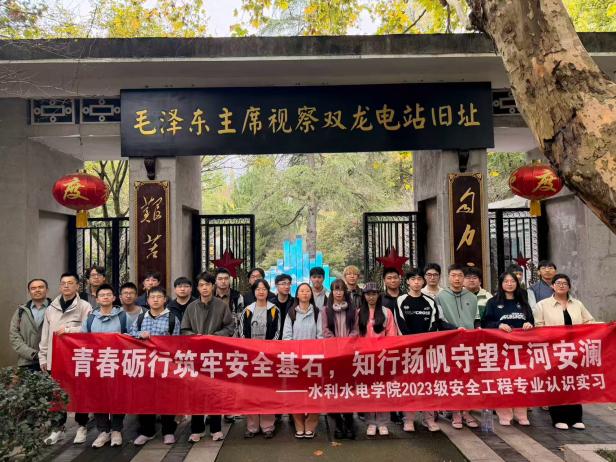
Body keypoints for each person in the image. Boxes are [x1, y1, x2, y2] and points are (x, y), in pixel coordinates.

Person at [394, 269, 454, 433]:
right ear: (407, 281)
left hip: (428, 351)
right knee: (409, 386)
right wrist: (412, 344)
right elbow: (400, 325)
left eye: (419, 279)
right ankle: (409, 419)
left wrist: (425, 343)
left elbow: (435, 324)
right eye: (413, 279)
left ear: (423, 281)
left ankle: (429, 419)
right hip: (408, 351)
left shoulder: (430, 301)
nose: (416, 282)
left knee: (429, 385)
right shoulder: (400, 300)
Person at [535, 273, 595, 430]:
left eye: (565, 283)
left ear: (569, 287)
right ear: (552, 286)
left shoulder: (577, 304)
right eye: (558, 283)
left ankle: (576, 417)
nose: (561, 285)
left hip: (575, 350)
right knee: (556, 383)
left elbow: (589, 322)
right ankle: (558, 417)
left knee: (574, 383)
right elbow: (538, 326)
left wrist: (606, 326)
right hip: (553, 350)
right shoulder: (542, 305)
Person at [40, 272, 92, 446]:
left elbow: (88, 329)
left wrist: (69, 329)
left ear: (77, 286)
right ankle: (58, 428)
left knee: (80, 393)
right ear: (60, 286)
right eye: (63, 283)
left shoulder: (84, 306)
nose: (66, 286)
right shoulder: (51, 308)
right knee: (57, 394)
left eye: (70, 283)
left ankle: (82, 426)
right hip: (56, 358)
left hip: (78, 358)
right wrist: (43, 357)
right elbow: (45, 335)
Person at [182, 272, 235, 442]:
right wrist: (196, 337)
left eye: (207, 285)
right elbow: (184, 329)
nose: (204, 288)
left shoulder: (221, 306)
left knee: (215, 391)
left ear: (213, 286)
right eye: (201, 285)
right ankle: (197, 429)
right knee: (196, 392)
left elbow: (230, 327)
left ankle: (216, 429)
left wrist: (215, 337)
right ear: (197, 288)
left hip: (215, 355)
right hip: (196, 355)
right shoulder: (191, 307)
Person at [481, 272, 534, 426]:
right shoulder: (492, 302)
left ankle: (521, 413)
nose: (509, 284)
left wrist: (529, 324)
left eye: (512, 281)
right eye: (506, 281)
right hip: (500, 348)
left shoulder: (523, 302)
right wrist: (498, 325)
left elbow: (531, 321)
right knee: (503, 380)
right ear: (501, 284)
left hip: (520, 349)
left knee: (521, 380)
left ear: (517, 283)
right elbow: (485, 323)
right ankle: (504, 414)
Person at [130, 286, 181, 446]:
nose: (156, 300)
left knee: (167, 399)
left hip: (165, 366)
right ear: (147, 300)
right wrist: (139, 335)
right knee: (145, 399)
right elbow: (130, 336)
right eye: (152, 297)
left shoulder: (172, 319)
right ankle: (147, 431)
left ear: (165, 299)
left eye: (159, 297)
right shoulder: (140, 318)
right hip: (145, 367)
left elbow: (177, 343)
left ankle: (168, 431)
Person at [81, 284, 128, 448]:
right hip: (96, 364)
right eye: (102, 295)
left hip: (118, 363)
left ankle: (116, 429)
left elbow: (131, 336)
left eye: (109, 294)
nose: (106, 297)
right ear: (97, 299)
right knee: (97, 397)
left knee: (118, 396)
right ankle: (103, 431)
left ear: (114, 298)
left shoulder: (123, 316)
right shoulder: (90, 318)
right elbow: (82, 340)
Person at [436, 264, 480, 430]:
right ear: (448, 277)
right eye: (453, 275)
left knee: (469, 379)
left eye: (460, 275)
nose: (457, 279)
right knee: (453, 379)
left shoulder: (472, 297)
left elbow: (476, 319)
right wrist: (455, 329)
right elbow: (440, 321)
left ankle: (466, 412)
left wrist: (478, 329)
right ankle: (455, 413)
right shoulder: (440, 297)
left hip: (470, 344)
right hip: (451, 343)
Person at [239, 279, 281, 439]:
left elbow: (277, 332)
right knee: (251, 392)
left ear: (268, 291)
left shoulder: (274, 310)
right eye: (258, 289)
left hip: (268, 358)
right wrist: (250, 349)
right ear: (254, 292)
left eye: (264, 289)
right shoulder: (247, 310)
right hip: (251, 358)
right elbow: (242, 332)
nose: (261, 292)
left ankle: (268, 426)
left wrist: (269, 349)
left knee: (267, 392)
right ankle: (252, 426)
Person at [282, 283, 323, 439]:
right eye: (301, 291)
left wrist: (314, 353)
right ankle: (298, 424)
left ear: (311, 294)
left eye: (307, 291)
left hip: (313, 361)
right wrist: (295, 354)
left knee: (314, 392)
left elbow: (320, 336)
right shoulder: (291, 313)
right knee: (296, 393)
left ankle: (311, 423)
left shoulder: (318, 313)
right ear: (297, 295)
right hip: (295, 361)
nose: (305, 293)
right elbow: (286, 337)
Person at [358, 282, 398, 436]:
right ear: (364, 296)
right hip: (365, 358)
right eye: (368, 294)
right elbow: (356, 336)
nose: (371, 297)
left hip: (382, 357)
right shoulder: (358, 313)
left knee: (382, 390)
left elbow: (391, 335)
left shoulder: (387, 312)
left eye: (374, 294)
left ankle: (383, 422)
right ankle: (370, 422)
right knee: (368, 391)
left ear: (378, 295)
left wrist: (386, 353)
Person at [321, 279, 358, 439]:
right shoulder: (325, 310)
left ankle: (349, 421)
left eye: (341, 290)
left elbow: (355, 330)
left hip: (348, 354)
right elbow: (325, 331)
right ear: (332, 292)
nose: (338, 292)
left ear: (345, 292)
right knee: (334, 389)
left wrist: (346, 344)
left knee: (348, 389)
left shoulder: (353, 310)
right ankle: (338, 423)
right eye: (335, 289)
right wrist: (336, 344)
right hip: (332, 355)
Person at [10, 278, 50, 372]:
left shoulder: (56, 309)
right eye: (33, 288)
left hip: (50, 362)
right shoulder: (21, 311)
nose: (37, 290)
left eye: (40, 287)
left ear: (47, 290)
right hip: (26, 362)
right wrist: (32, 354)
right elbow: (14, 336)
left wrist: (45, 355)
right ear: (29, 292)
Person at [214, 267, 244, 333]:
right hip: (212, 333)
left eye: (226, 278)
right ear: (215, 281)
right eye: (220, 279)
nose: (223, 281)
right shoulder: (210, 296)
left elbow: (240, 318)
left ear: (229, 280)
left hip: (232, 333)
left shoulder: (237, 297)